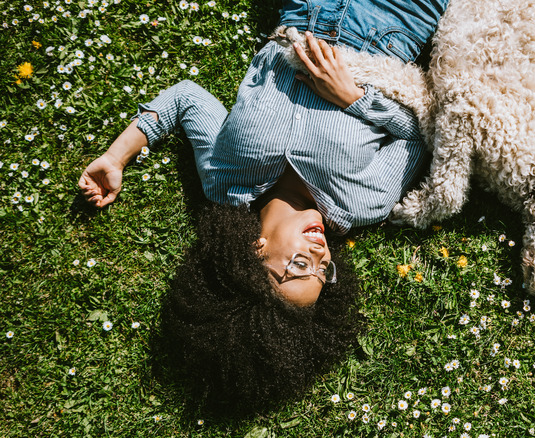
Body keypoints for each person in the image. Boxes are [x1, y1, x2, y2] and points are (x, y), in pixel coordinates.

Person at [78, 0, 449, 415]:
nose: (320, 256)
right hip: (395, 22)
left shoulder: (224, 181)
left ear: (253, 256)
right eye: (324, 272)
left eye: (297, 267)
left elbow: (186, 100)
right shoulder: (362, 204)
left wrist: (115, 157)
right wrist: (353, 98)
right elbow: (418, 135)